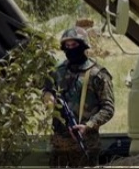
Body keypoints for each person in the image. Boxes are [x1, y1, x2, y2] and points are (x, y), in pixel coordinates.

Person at [43, 27, 115, 168]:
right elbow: (46, 90)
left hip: (85, 143)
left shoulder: (97, 74)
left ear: (83, 45)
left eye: (74, 45)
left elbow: (108, 108)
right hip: (59, 144)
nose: (71, 49)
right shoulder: (57, 71)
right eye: (67, 46)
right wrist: (48, 98)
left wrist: (88, 126)